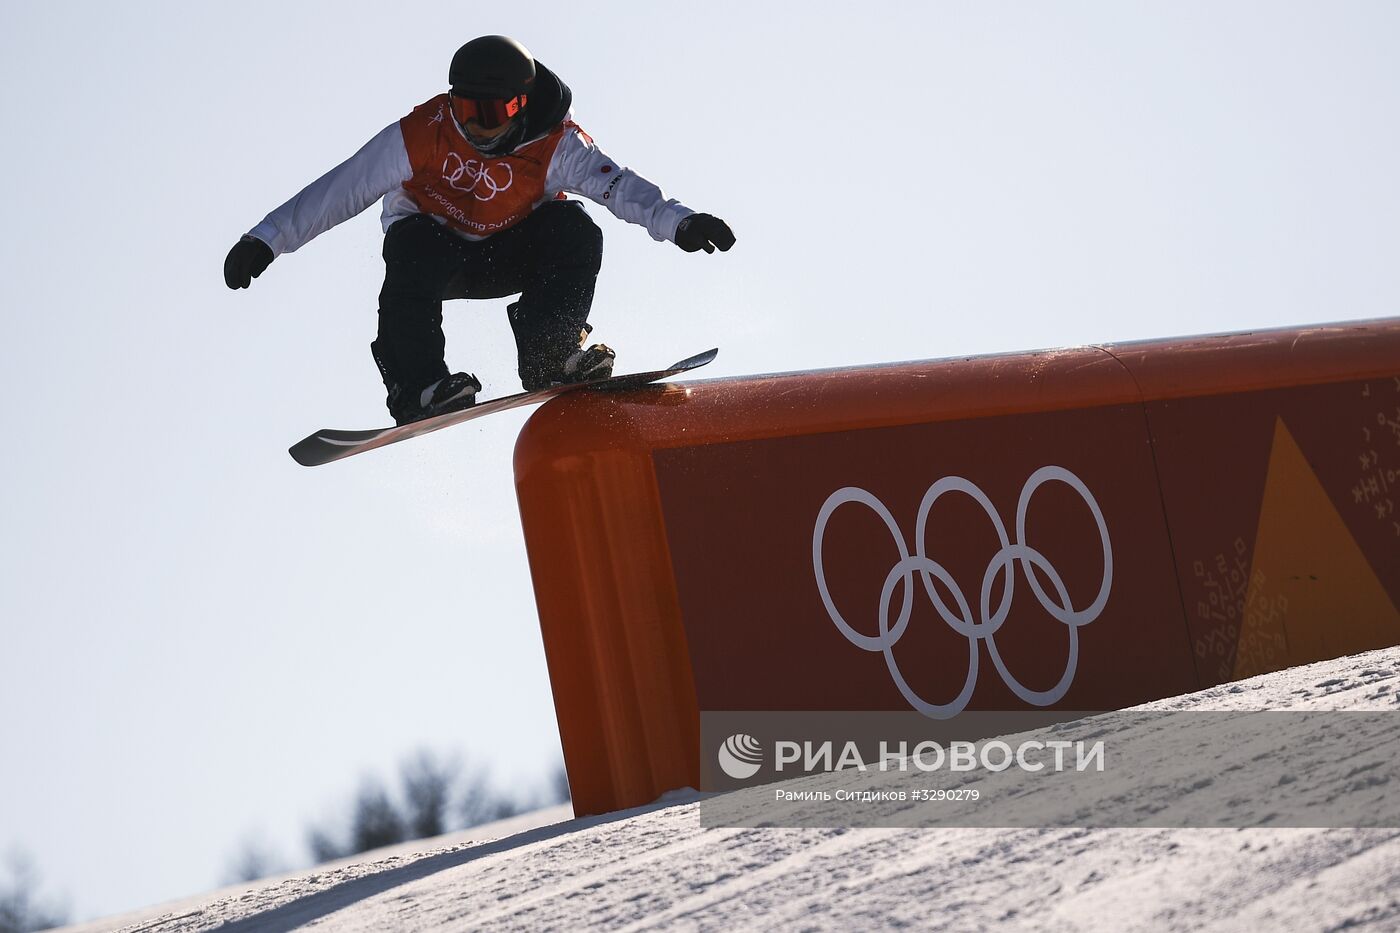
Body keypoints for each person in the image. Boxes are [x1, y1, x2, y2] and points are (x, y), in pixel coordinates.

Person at [224, 35, 735, 425]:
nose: (474, 126)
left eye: (488, 113)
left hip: (509, 253)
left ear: (519, 105)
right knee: (414, 244)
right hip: (435, 254)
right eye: (466, 110)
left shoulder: (557, 144)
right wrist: (266, 238)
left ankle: (549, 354)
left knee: (575, 229)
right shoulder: (426, 130)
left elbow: (618, 187)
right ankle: (417, 384)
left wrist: (679, 221)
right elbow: (342, 188)